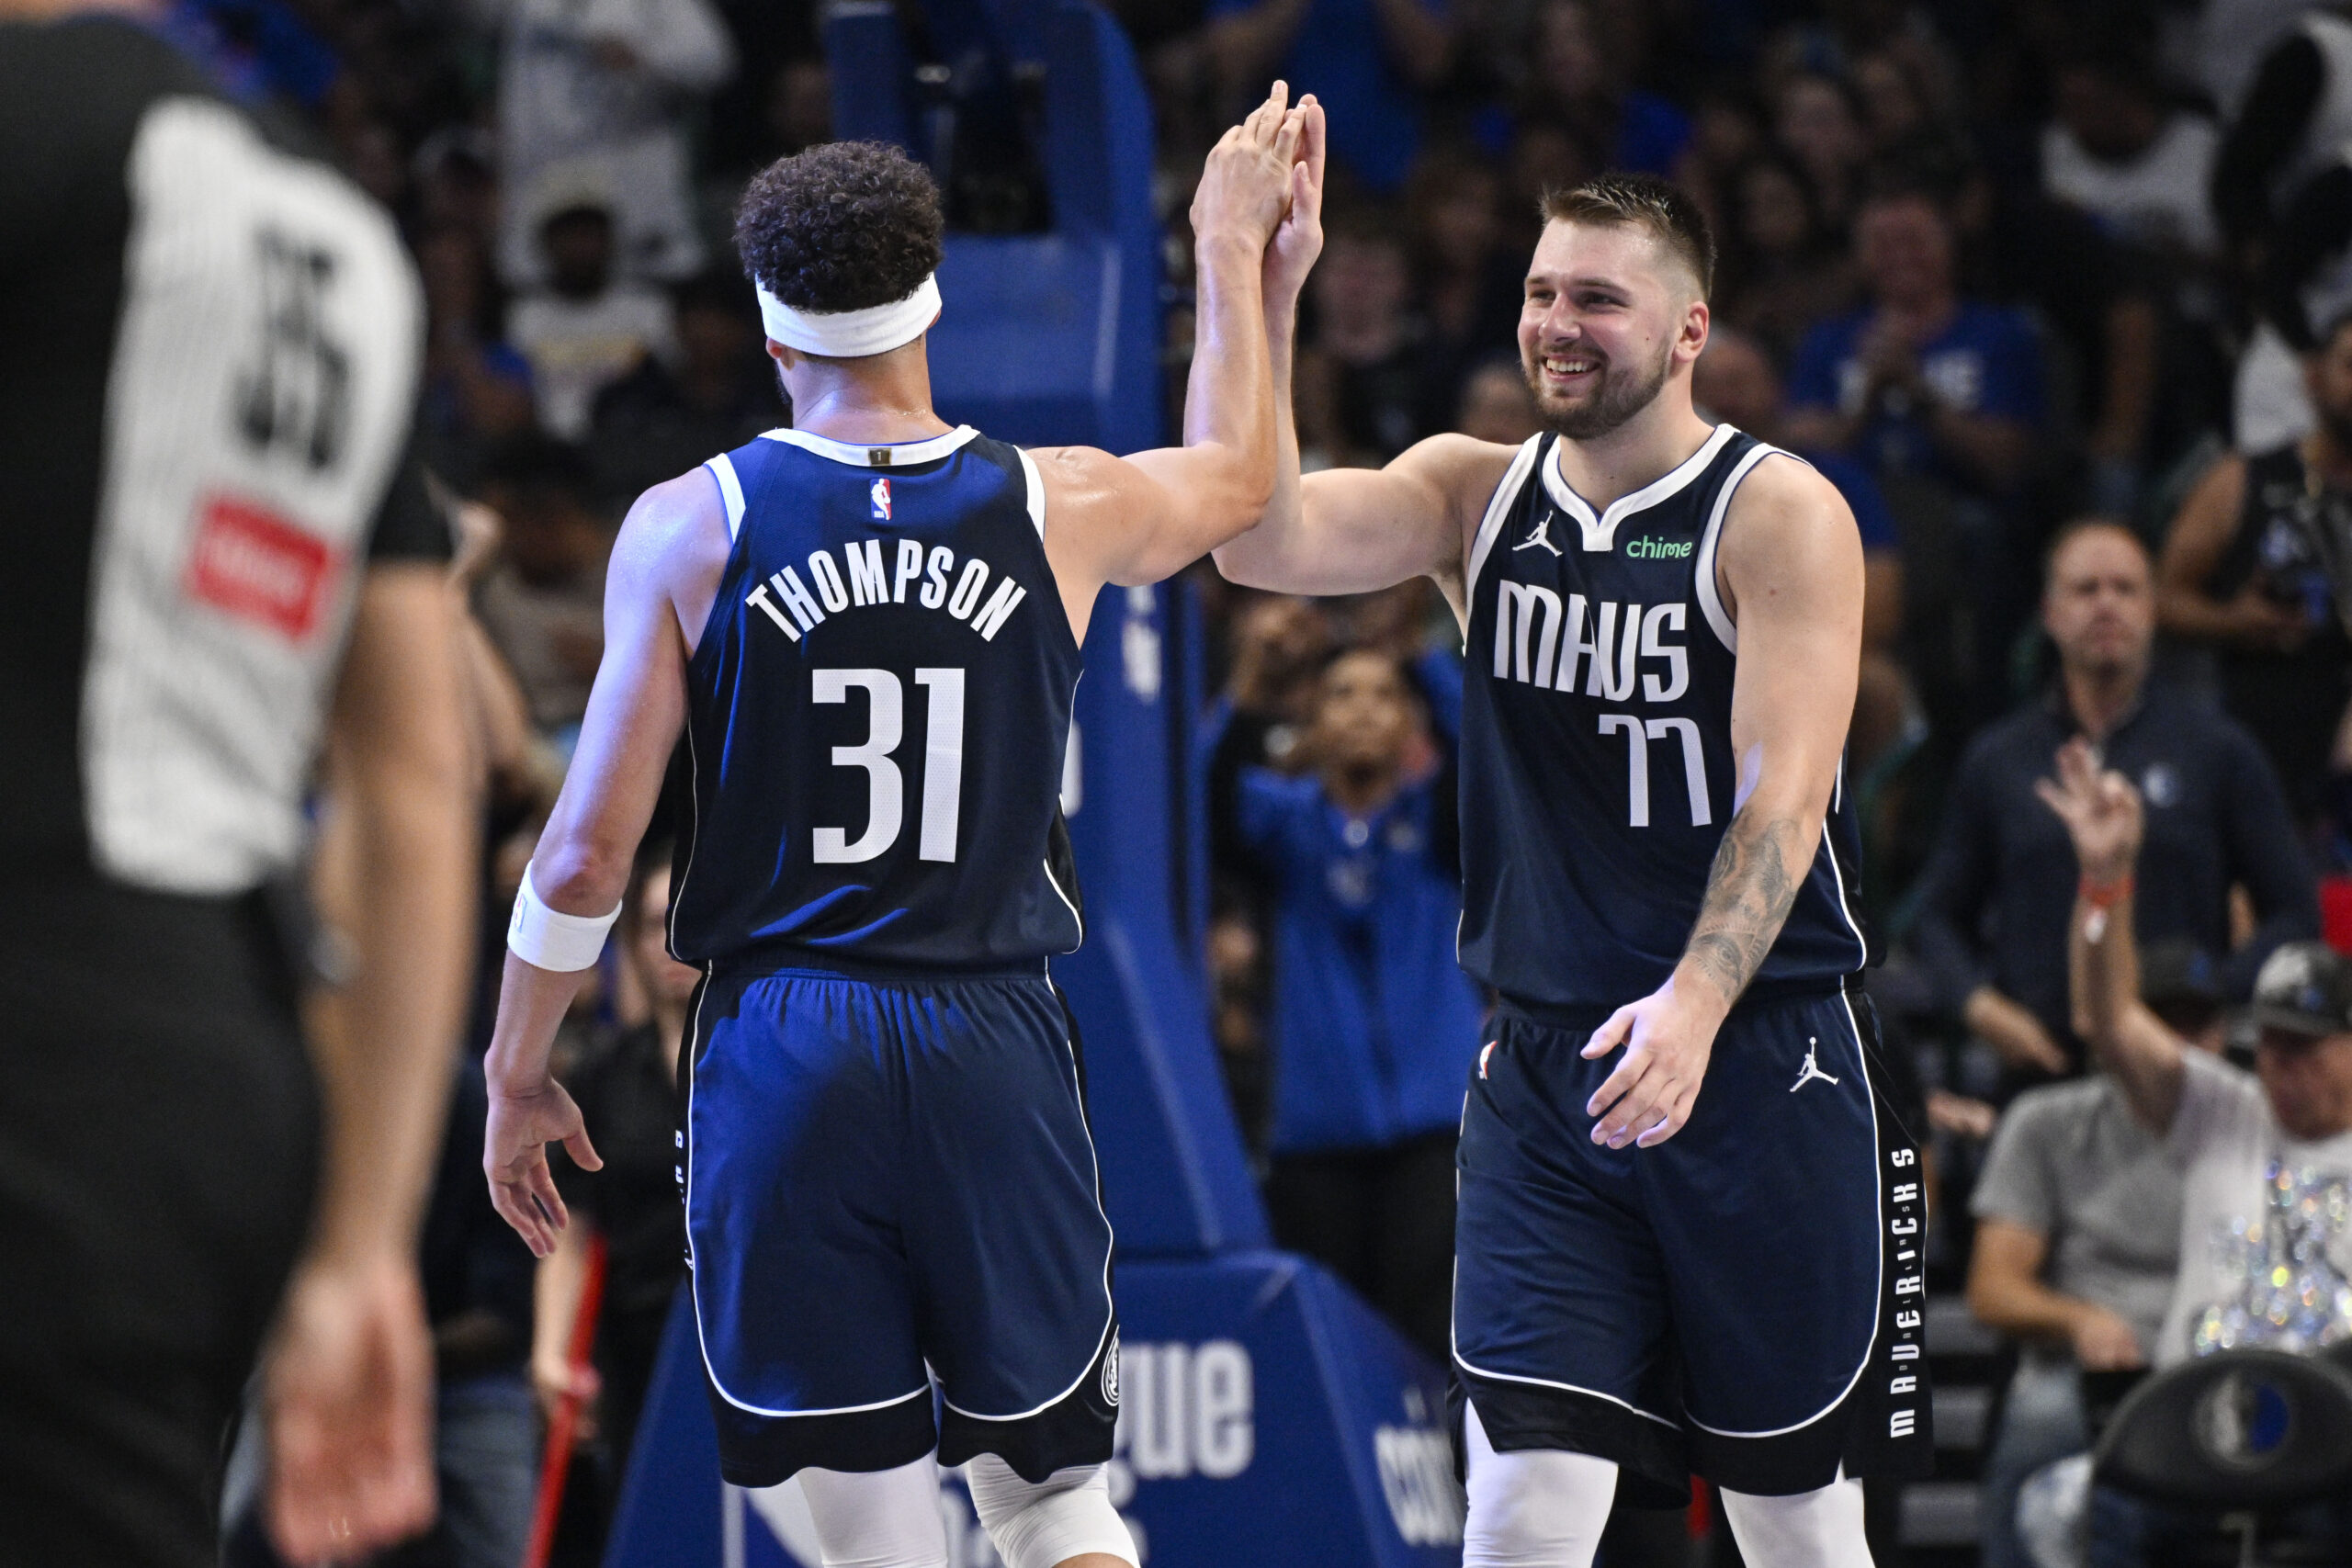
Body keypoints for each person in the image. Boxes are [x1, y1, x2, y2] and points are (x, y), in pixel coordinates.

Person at [480, 96, 1313, 1568]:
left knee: (864, 1529)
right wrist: (1235, 251)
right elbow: (1244, 481)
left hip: (787, 1036)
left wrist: (515, 1064)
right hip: (991, 1023)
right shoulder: (1060, 497)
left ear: (772, 329)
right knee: (1054, 1500)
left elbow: (582, 861)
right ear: (930, 311)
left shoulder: (693, 520)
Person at [1216, 164, 1928, 1565]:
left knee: (1797, 1525)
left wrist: (1693, 1006)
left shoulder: (1779, 512)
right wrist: (1262, 280)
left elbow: (1781, 803)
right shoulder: (1471, 494)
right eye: (1542, 291)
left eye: (1598, 297)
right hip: (1547, 1066)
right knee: (1522, 1505)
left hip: (1761, 1056)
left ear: (1686, 331)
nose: (1557, 321)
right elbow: (1255, 537)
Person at [0, 6, 476, 1565]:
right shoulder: (335, 228)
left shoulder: (36, 136)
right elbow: (413, 772)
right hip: (210, 1077)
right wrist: (360, 1246)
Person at [2041, 737, 2352, 1561]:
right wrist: (2107, 881)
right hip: (2185, 1429)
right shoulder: (2230, 1108)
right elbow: (2110, 1020)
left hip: (2335, 1438)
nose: (2283, 1066)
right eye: (2274, 1043)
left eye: (2309, 1048)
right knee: (2088, 1501)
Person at [1910, 522, 2318, 1088]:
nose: (2107, 604)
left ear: (2152, 609)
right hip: (2041, 1067)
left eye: (2125, 589)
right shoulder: (1998, 760)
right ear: (2049, 613)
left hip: (2181, 1069)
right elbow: (1934, 916)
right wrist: (1981, 1008)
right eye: (2086, 589)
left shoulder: (2217, 749)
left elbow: (2296, 911)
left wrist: (2217, 995)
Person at [1217, 647, 1481, 1358]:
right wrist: (1247, 692)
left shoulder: (1441, 822)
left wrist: (1421, 648)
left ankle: (1441, 1474)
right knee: (1330, 1349)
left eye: (1382, 693)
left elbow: (1489, 742)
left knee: (1435, 1338)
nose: (1363, 707)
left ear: (1408, 722)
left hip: (1435, 1131)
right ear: (1313, 720)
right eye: (1341, 693)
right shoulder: (1284, 826)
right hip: (1314, 1136)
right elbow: (1197, 793)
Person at [1963, 944, 2226, 1568]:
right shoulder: (2049, 1123)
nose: (2179, 1043)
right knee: (2038, 1416)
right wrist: (2079, 1320)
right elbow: (1991, 1287)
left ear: (2223, 1035)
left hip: (2221, 1363)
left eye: (2198, 1024)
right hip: (2097, 1375)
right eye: (2163, 1022)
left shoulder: (2250, 1121)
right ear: (2126, 1028)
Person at [2157, 310, 2352, 835]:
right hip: (2264, 717)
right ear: (2314, 377)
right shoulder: (2241, 480)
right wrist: (2234, 620)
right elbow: (2161, 598)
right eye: (2351, 367)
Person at [507, 193, 679, 442]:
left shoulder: (646, 307)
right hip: (547, 446)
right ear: (547, 244)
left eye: (589, 234)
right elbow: (516, 392)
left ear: (610, 240)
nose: (580, 247)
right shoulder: (524, 314)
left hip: (632, 443)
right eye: (569, 235)